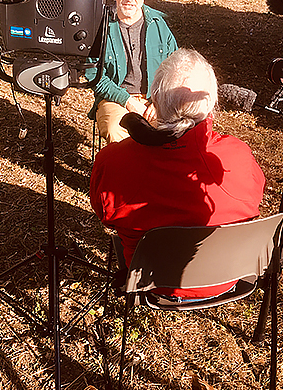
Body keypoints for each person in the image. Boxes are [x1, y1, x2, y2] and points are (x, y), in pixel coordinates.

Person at [91, 48, 266, 299]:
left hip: (150, 284)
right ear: (211, 104)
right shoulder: (239, 157)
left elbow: (104, 214)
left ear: (154, 101)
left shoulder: (113, 161)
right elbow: (255, 200)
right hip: (226, 281)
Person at [88, 0, 178, 143]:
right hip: (116, 99)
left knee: (174, 130)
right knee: (115, 129)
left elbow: (175, 68)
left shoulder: (158, 25)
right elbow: (93, 75)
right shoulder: (100, 27)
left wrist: (159, 100)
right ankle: (125, 171)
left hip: (156, 100)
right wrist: (127, 100)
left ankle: (155, 171)